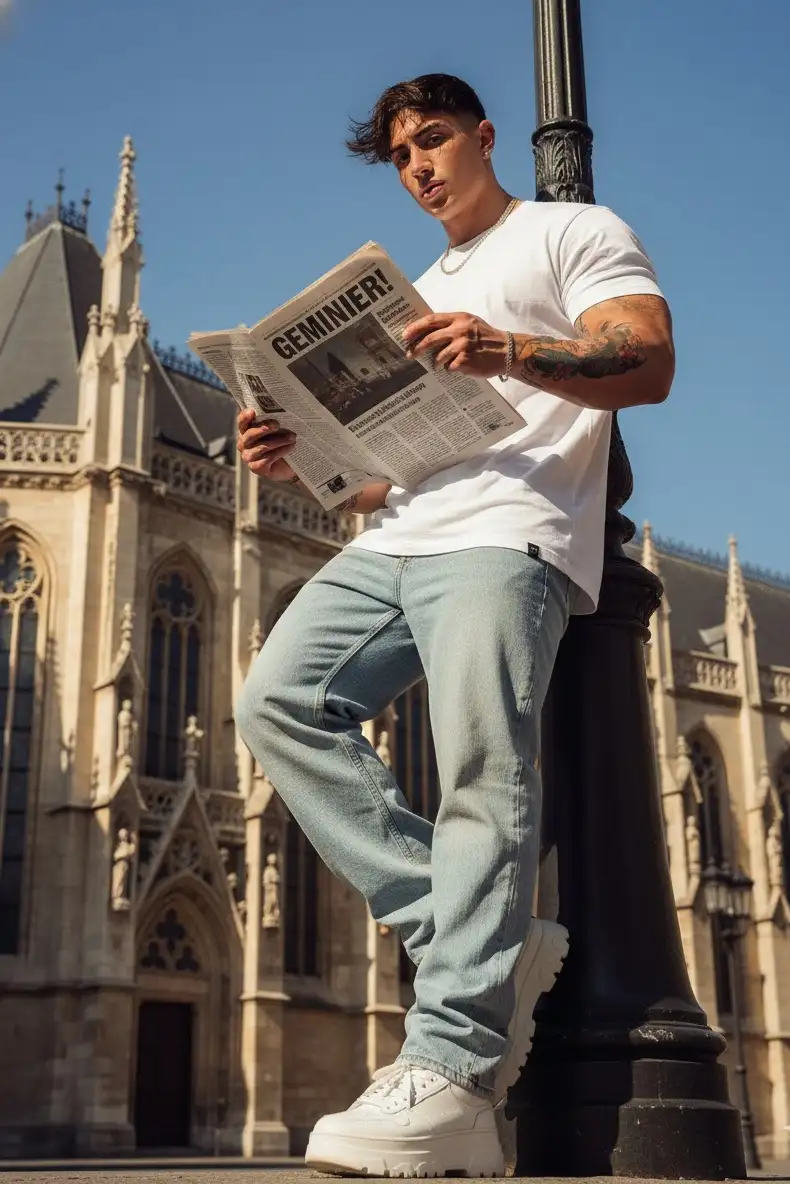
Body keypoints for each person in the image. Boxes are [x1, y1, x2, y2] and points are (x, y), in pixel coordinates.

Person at [235, 73, 674, 1178]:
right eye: (401, 156)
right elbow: (381, 481)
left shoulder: (573, 230)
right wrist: (305, 459)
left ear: (485, 137)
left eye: (434, 140)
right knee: (276, 701)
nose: (421, 166)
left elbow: (649, 361)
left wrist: (510, 351)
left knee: (484, 764)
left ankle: (455, 1058)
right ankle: (477, 933)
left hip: (509, 532)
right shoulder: (419, 284)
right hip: (400, 536)